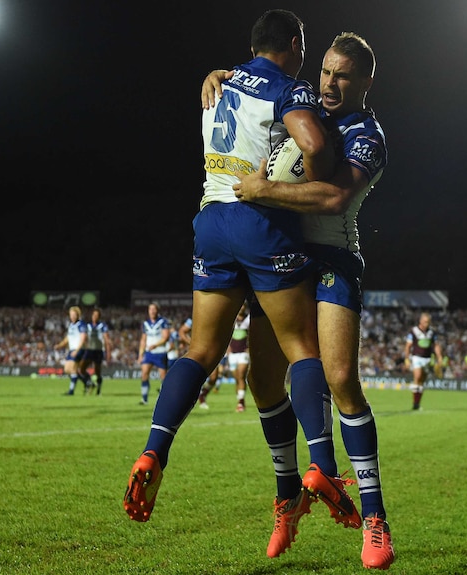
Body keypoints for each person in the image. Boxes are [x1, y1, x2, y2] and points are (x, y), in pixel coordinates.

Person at [124, 6, 336, 558]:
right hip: (260, 222)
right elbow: (312, 144)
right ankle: (324, 467)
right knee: (301, 348)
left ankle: (155, 451)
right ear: (294, 43)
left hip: (210, 224)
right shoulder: (289, 88)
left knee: (209, 353)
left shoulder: (217, 85)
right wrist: (308, 178)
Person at [204, 31, 394, 569]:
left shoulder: (368, 134)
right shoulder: (301, 104)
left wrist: (263, 191)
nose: (330, 83)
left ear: (365, 83)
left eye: (343, 76)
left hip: (332, 259)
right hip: (281, 258)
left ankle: (375, 519)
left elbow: (335, 198)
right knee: (263, 381)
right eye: (326, 72)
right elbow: (250, 99)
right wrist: (218, 78)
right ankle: (288, 496)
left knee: (340, 378)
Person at [404, 312, 444, 411]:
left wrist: (439, 356)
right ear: (420, 321)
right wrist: (407, 358)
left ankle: (417, 403)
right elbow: (408, 346)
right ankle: (414, 402)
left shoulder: (432, 332)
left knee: (422, 381)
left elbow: (435, 345)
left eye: (428, 322)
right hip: (416, 357)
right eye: (425, 322)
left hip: (427, 358)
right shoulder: (413, 331)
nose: (427, 324)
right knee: (417, 377)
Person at [137, 302, 170, 405]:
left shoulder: (163, 322)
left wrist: (156, 345)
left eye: (154, 309)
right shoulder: (145, 324)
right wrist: (140, 354)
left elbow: (166, 337)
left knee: (164, 377)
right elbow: (143, 339)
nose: (152, 311)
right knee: (144, 374)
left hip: (160, 353)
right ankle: (144, 399)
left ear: (157, 310)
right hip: (149, 353)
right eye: (150, 309)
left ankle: (165, 399)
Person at [54, 306, 91, 395]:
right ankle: (87, 383)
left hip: (79, 349)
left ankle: (71, 391)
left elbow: (83, 338)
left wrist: (77, 350)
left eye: (74, 314)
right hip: (72, 349)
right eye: (71, 315)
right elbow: (68, 338)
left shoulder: (81, 324)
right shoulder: (71, 325)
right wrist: (60, 345)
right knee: (67, 369)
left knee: (73, 369)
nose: (72, 316)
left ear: (78, 315)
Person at [227, 303, 250, 412]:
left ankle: (240, 402)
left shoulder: (249, 319)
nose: (241, 307)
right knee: (237, 378)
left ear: (245, 307)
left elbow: (253, 334)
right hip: (232, 354)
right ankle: (240, 400)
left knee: (241, 375)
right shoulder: (230, 318)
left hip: (243, 352)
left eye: (243, 305)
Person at [85, 308, 112, 395]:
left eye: (97, 315)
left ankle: (98, 389)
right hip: (89, 350)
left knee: (97, 371)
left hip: (98, 350)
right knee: (81, 368)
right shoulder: (88, 326)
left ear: (99, 317)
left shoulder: (102, 326)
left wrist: (108, 353)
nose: (95, 317)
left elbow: (106, 339)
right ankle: (90, 382)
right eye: (93, 315)